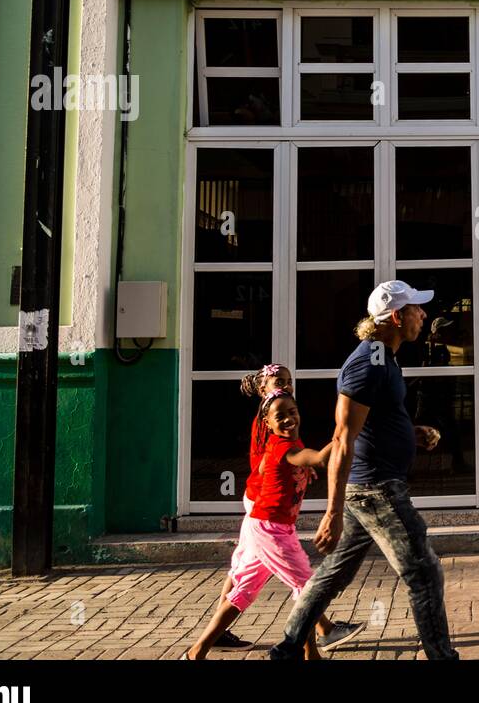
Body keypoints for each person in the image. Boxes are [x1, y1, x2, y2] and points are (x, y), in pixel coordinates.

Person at [269, 280, 457, 661]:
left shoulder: (383, 358)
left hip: (372, 486)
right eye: (417, 309)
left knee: (334, 573)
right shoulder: (368, 363)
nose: (424, 315)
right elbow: (342, 439)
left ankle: (287, 649)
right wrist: (332, 513)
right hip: (376, 490)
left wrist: (411, 433)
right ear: (396, 316)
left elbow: (374, 421)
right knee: (423, 572)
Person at [207, 364, 362, 654]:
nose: (287, 385)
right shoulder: (271, 418)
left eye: (289, 381)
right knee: (299, 580)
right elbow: (273, 461)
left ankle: (215, 634)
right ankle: (322, 632)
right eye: (279, 381)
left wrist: (297, 470)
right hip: (262, 504)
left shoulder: (281, 412)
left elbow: (289, 458)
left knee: (244, 570)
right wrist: (302, 463)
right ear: (263, 388)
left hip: (259, 502)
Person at [185, 389, 333, 660]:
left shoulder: (287, 444)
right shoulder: (283, 446)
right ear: (268, 423)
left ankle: (197, 651)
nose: (289, 419)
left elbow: (266, 468)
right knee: (309, 589)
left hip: (263, 527)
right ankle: (310, 652)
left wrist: (296, 469)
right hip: (271, 530)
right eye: (280, 416)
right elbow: (321, 458)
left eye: (293, 412)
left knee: (244, 591)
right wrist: (348, 432)